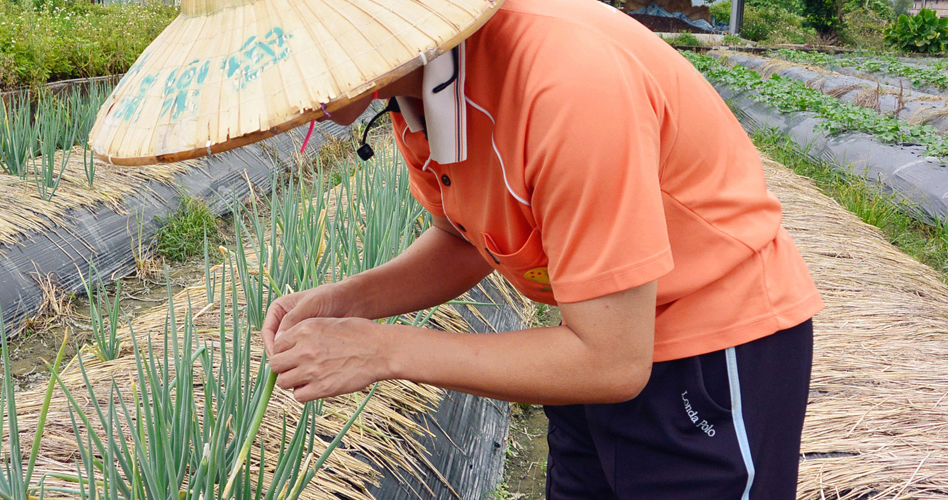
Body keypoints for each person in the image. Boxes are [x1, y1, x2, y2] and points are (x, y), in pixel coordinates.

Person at [257, 0, 824, 498]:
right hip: (582, 339)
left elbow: (614, 361)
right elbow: (467, 241)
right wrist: (346, 302)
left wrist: (383, 352)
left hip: (708, 348)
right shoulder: (414, 88)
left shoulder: (566, 82)